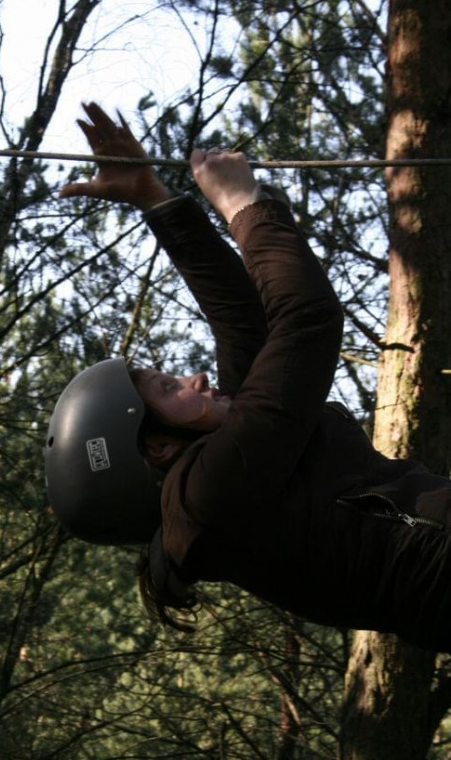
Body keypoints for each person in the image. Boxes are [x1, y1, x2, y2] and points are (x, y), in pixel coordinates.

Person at [45, 102, 451, 652]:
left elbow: (245, 324)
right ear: (160, 447)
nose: (191, 378)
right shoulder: (208, 494)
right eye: (168, 389)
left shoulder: (226, 479)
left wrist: (155, 199)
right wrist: (241, 202)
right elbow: (304, 323)